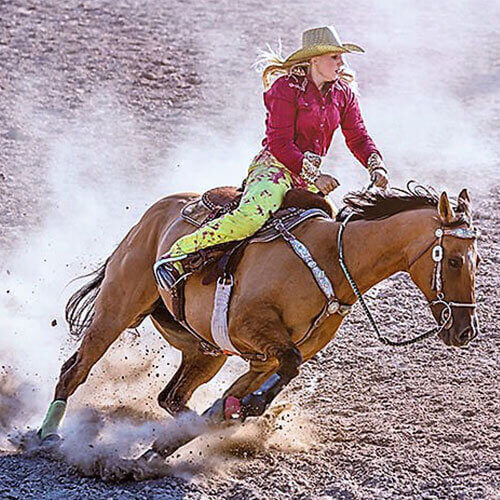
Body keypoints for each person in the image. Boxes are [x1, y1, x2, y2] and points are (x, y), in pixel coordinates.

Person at [154, 25, 389, 288]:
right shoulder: (285, 89)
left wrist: (375, 165)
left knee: (331, 231)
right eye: (334, 56)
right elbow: (279, 143)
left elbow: (357, 135)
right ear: (315, 60)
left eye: (340, 57)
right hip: (274, 167)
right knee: (250, 218)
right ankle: (177, 254)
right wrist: (315, 175)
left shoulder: (343, 94)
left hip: (305, 177)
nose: (340, 62)